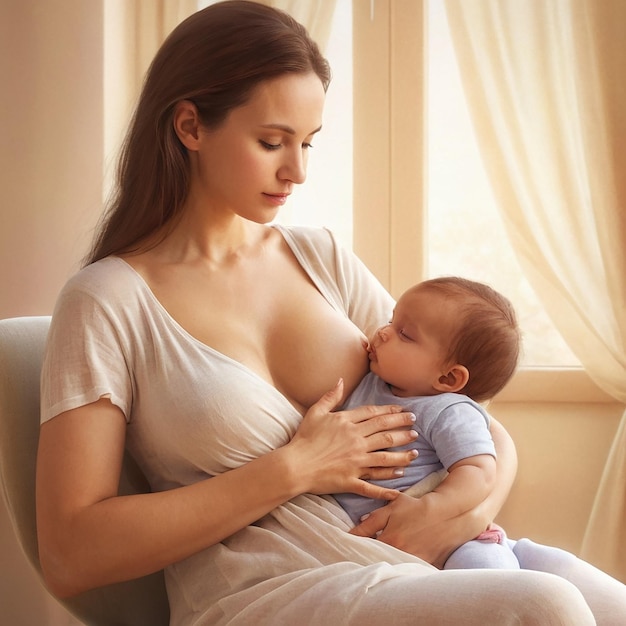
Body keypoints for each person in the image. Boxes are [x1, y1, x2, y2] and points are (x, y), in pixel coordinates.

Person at [35, 2, 626, 624]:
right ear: (190, 126)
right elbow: (72, 552)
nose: (297, 171)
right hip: (268, 593)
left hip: (412, 566)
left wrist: (453, 515)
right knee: (546, 604)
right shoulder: (105, 301)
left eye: (308, 142)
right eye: (271, 142)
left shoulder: (320, 257)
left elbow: (478, 426)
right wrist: (292, 468)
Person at [336, 276, 522, 570]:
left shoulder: (450, 411)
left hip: (458, 544)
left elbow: (479, 471)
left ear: (448, 378)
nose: (383, 333)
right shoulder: (371, 383)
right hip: (392, 553)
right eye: (390, 321)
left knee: (487, 578)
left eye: (405, 334)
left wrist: (431, 509)